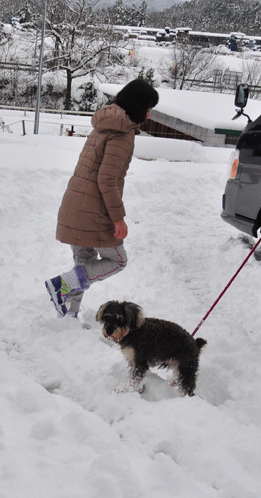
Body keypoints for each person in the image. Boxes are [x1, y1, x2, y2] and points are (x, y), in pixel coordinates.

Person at [45, 78, 159, 318]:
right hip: (93, 209)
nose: (150, 113)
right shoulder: (123, 133)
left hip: (77, 203)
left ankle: (69, 315)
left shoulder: (105, 124)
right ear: (139, 105)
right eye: (149, 106)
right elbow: (107, 179)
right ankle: (61, 286)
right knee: (118, 260)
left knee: (84, 263)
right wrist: (118, 218)